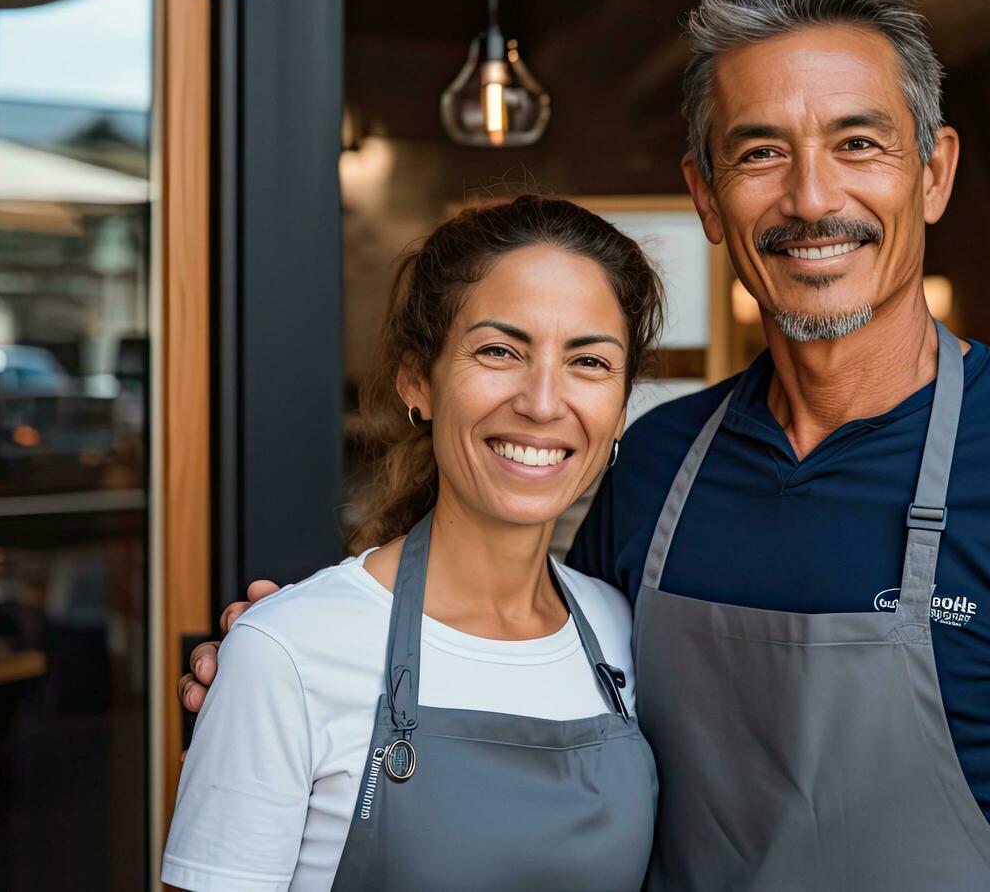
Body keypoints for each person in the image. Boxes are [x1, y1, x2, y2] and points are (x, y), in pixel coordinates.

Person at [186, 0, 990, 890]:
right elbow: (537, 688)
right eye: (760, 153)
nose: (810, 196)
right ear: (706, 197)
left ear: (932, 173)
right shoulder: (656, 465)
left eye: (858, 142)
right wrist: (299, 677)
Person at [162, 196, 663, 891]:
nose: (543, 402)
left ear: (620, 406)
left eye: (588, 362)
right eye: (498, 350)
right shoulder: (286, 652)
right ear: (415, 380)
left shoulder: (620, 630)